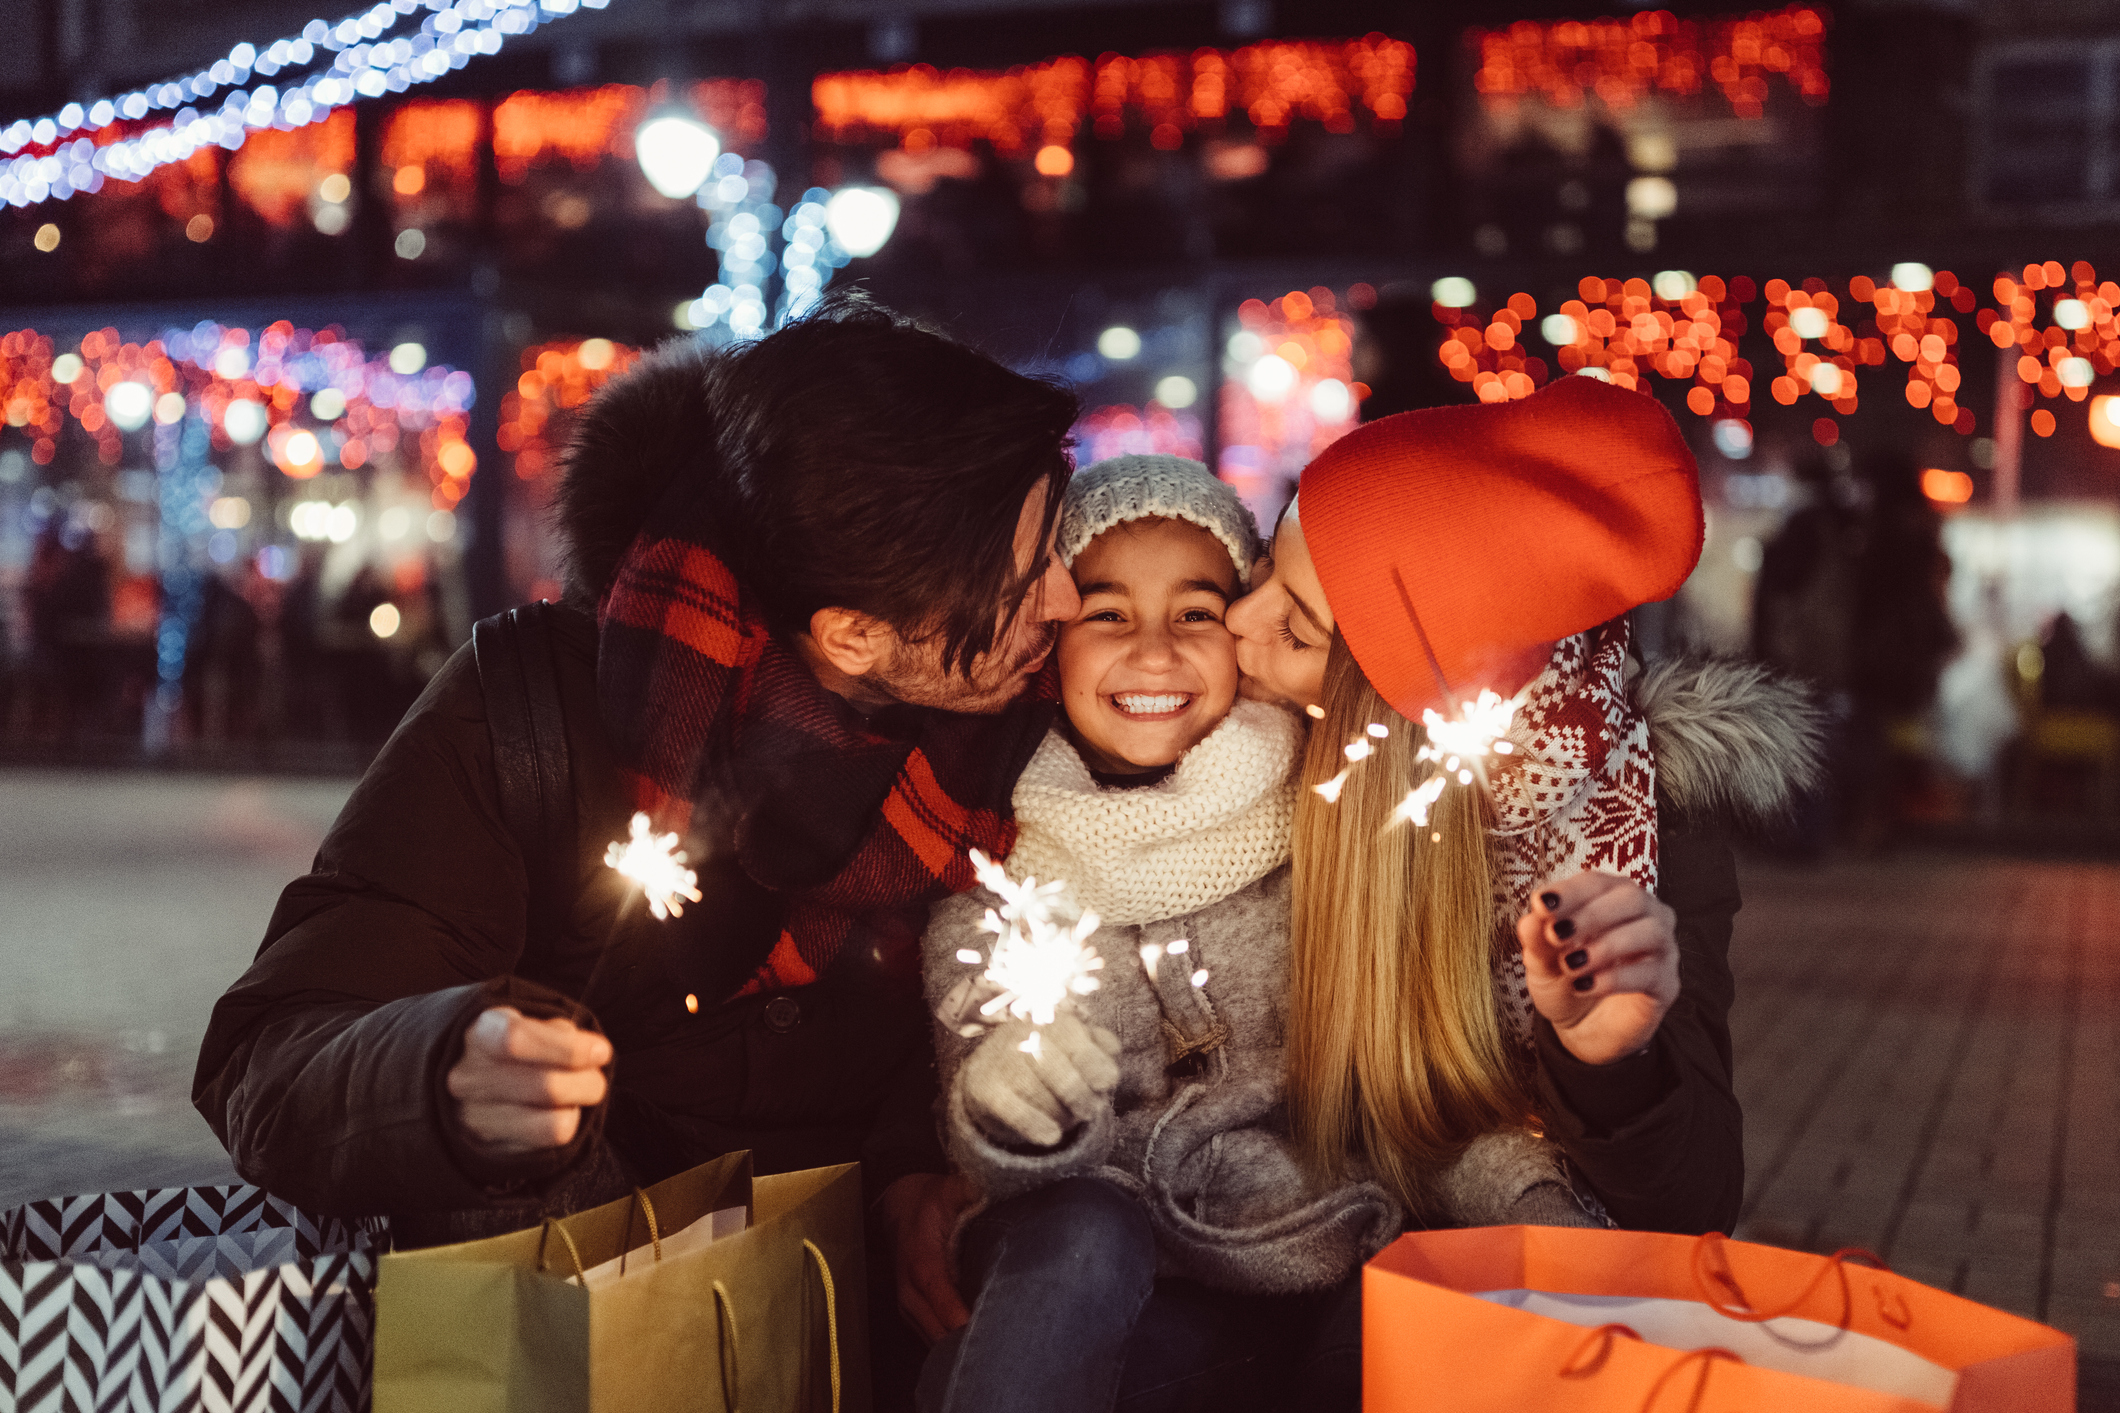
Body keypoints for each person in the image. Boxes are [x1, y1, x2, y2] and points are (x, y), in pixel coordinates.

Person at [191, 297, 1083, 1405]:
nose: (1066, 595)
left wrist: (922, 1163)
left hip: (888, 1337)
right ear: (853, 635)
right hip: (582, 1338)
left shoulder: (1039, 729)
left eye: (1054, 541)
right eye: (1026, 572)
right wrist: (441, 1074)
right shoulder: (532, 712)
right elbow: (266, 1054)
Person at [916, 456, 1598, 1413]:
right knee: (1078, 1229)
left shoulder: (1330, 836)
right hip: (1115, 1297)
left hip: (1320, 1275)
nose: (1153, 651)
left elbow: (1417, 1104)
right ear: (1051, 641)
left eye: (1195, 611)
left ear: (1241, 634)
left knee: (1406, 1316)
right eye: (1107, 612)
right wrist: (1014, 1106)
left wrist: (1539, 1213)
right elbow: (991, 1145)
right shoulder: (996, 880)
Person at [1225, 376, 1822, 1241]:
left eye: (1297, 632)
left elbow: (1695, 1205)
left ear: (1393, 718)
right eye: (1262, 568)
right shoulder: (1245, 755)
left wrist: (1613, 1059)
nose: (1238, 618)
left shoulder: (1645, 826)